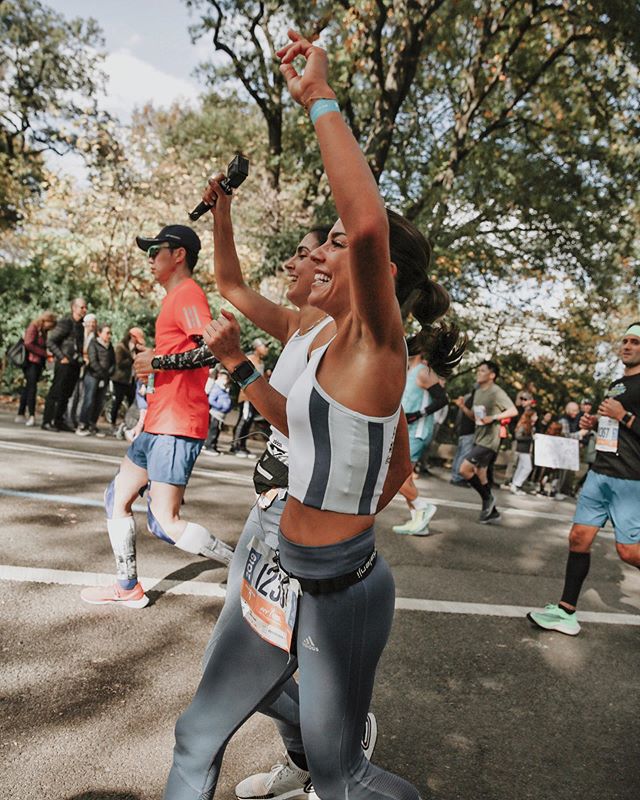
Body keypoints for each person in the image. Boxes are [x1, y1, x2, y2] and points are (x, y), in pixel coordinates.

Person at [163, 30, 464, 800]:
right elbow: (232, 284)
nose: (315, 253)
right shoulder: (315, 332)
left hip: (338, 593)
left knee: (341, 779)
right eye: (316, 244)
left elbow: (364, 225)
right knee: (197, 733)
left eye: (330, 244)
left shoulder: (376, 344)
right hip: (275, 561)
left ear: (377, 273)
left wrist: (318, 99)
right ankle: (307, 746)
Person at [80, 225, 234, 610]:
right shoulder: (174, 299)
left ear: (178, 254)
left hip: (178, 424)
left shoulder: (187, 294)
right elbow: (182, 354)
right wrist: (152, 357)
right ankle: (127, 587)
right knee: (117, 497)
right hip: (158, 422)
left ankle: (248, 569)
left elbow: (213, 352)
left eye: (156, 251)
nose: (150, 259)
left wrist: (158, 361)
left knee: (165, 523)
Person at [528, 323, 640, 635]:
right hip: (600, 471)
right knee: (578, 538)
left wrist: (624, 416)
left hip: (631, 479)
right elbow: (615, 427)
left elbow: (627, 421)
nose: (627, 346)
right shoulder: (617, 384)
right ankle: (566, 612)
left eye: (635, 342)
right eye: (625, 340)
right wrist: (595, 423)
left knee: (629, 552)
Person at [392, 349, 455, 535]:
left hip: (417, 432)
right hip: (406, 432)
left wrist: (418, 414)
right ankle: (419, 523)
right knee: (406, 478)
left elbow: (443, 399)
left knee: (396, 477)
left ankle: (423, 507)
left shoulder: (424, 371)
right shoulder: (410, 371)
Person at [457, 361, 517, 523]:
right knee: (481, 476)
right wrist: (463, 408)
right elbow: (475, 418)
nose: (478, 372)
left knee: (464, 469)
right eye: (478, 370)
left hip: (490, 440)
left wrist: (494, 417)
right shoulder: (478, 392)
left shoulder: (496, 392)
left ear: (492, 375)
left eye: (482, 370)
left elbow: (513, 410)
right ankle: (492, 512)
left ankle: (489, 499)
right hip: (479, 437)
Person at [41, 298, 87, 432]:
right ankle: (47, 421)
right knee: (56, 392)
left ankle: (59, 420)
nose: (84, 310)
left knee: (66, 394)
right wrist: (62, 357)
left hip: (74, 365)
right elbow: (50, 341)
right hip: (64, 364)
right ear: (74, 308)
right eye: (82, 307)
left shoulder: (80, 325)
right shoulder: (66, 322)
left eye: (85, 308)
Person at [14, 310, 57, 427]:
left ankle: (20, 413)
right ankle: (31, 415)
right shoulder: (33, 327)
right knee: (32, 388)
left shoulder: (43, 331)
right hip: (30, 362)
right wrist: (44, 353)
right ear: (46, 321)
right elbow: (28, 343)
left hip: (38, 363)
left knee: (28, 387)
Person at [229, 338, 270, 458]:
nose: (266, 349)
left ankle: (242, 446)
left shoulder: (260, 363)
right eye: (264, 346)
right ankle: (235, 446)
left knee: (249, 420)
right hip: (247, 396)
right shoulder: (250, 359)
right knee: (244, 419)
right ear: (256, 347)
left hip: (255, 397)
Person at [76, 324, 115, 436]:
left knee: (99, 402)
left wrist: (108, 374)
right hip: (92, 376)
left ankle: (92, 424)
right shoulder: (93, 344)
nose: (109, 335)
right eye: (107, 333)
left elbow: (113, 362)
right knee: (89, 400)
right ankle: (82, 424)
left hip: (104, 378)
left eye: (110, 333)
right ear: (99, 333)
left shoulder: (110, 346)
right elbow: (93, 361)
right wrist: (102, 374)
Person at [108, 327, 146, 431]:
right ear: (131, 336)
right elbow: (119, 363)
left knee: (132, 401)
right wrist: (132, 359)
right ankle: (112, 422)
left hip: (131, 380)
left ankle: (129, 423)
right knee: (118, 401)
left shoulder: (137, 348)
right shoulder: (121, 347)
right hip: (120, 379)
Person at [202, 369, 233, 455]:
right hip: (216, 413)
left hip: (221, 415)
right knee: (213, 430)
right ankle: (209, 446)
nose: (225, 380)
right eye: (224, 378)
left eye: (226, 378)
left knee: (217, 431)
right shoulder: (217, 388)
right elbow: (211, 400)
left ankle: (213, 445)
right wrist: (220, 406)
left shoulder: (225, 389)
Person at [508, 406, 537, 495]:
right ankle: (517, 484)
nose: (536, 418)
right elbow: (518, 437)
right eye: (535, 416)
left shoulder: (531, 426)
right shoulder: (523, 425)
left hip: (526, 450)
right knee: (528, 468)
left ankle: (514, 485)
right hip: (522, 449)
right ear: (530, 416)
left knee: (521, 467)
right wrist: (531, 438)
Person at [450, 391, 475, 485]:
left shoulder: (466, 398)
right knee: (463, 455)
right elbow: (473, 416)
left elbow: (459, 416)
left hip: (462, 430)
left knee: (459, 454)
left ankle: (454, 475)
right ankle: (458, 477)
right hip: (469, 430)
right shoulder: (473, 400)